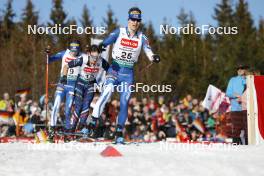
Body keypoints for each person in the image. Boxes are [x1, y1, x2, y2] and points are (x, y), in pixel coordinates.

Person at [88, 7, 161, 144]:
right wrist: (101, 47)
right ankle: (92, 123)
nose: (135, 22)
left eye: (137, 20)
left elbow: (148, 50)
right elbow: (105, 42)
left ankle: (119, 132)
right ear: (128, 20)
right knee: (107, 92)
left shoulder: (142, 37)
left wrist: (153, 57)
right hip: (114, 69)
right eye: (133, 19)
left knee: (124, 102)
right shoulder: (119, 32)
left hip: (128, 74)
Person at [62, 44, 109, 136]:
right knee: (78, 106)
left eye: (97, 56)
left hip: (91, 84)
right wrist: (64, 77)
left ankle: (81, 127)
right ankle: (72, 128)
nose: (95, 59)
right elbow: (66, 66)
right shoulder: (83, 59)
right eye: (93, 57)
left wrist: (108, 79)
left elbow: (110, 70)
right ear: (89, 54)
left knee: (87, 105)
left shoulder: (101, 61)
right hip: (80, 83)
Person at [47, 40, 82, 142]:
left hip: (72, 86)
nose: (73, 53)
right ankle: (52, 130)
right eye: (72, 51)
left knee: (68, 109)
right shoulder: (64, 53)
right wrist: (47, 55)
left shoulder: (82, 57)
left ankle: (67, 132)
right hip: (62, 83)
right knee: (56, 105)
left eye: (76, 51)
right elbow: (50, 60)